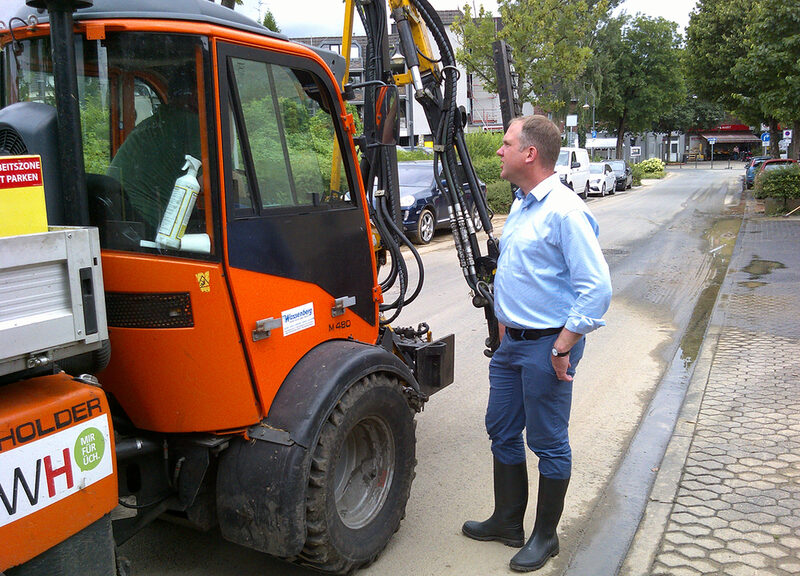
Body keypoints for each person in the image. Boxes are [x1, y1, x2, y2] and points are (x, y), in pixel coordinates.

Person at [462, 115, 612, 572]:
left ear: (530, 153)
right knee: (501, 429)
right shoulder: (525, 204)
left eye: (505, 144)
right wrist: (506, 322)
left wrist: (564, 346)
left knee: (547, 442)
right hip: (513, 343)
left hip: (548, 346)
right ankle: (507, 522)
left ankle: (544, 537)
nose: (498, 152)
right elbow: (521, 273)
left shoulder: (565, 211)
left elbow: (596, 289)